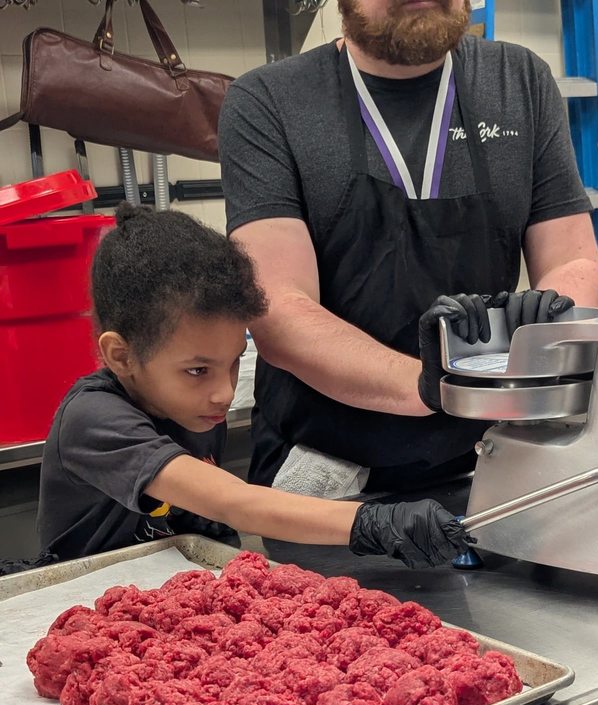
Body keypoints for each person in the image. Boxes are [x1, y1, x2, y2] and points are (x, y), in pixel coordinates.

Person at [219, 0, 598, 496]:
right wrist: (438, 385)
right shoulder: (268, 100)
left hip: (495, 454)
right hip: (332, 476)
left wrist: (550, 320)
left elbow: (573, 259)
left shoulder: (520, 80)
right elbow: (278, 310)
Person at [32, 204, 470, 572]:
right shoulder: (93, 420)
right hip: (82, 600)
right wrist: (372, 523)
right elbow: (236, 503)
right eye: (198, 370)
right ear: (122, 357)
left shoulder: (194, 406)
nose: (224, 393)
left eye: (234, 363)